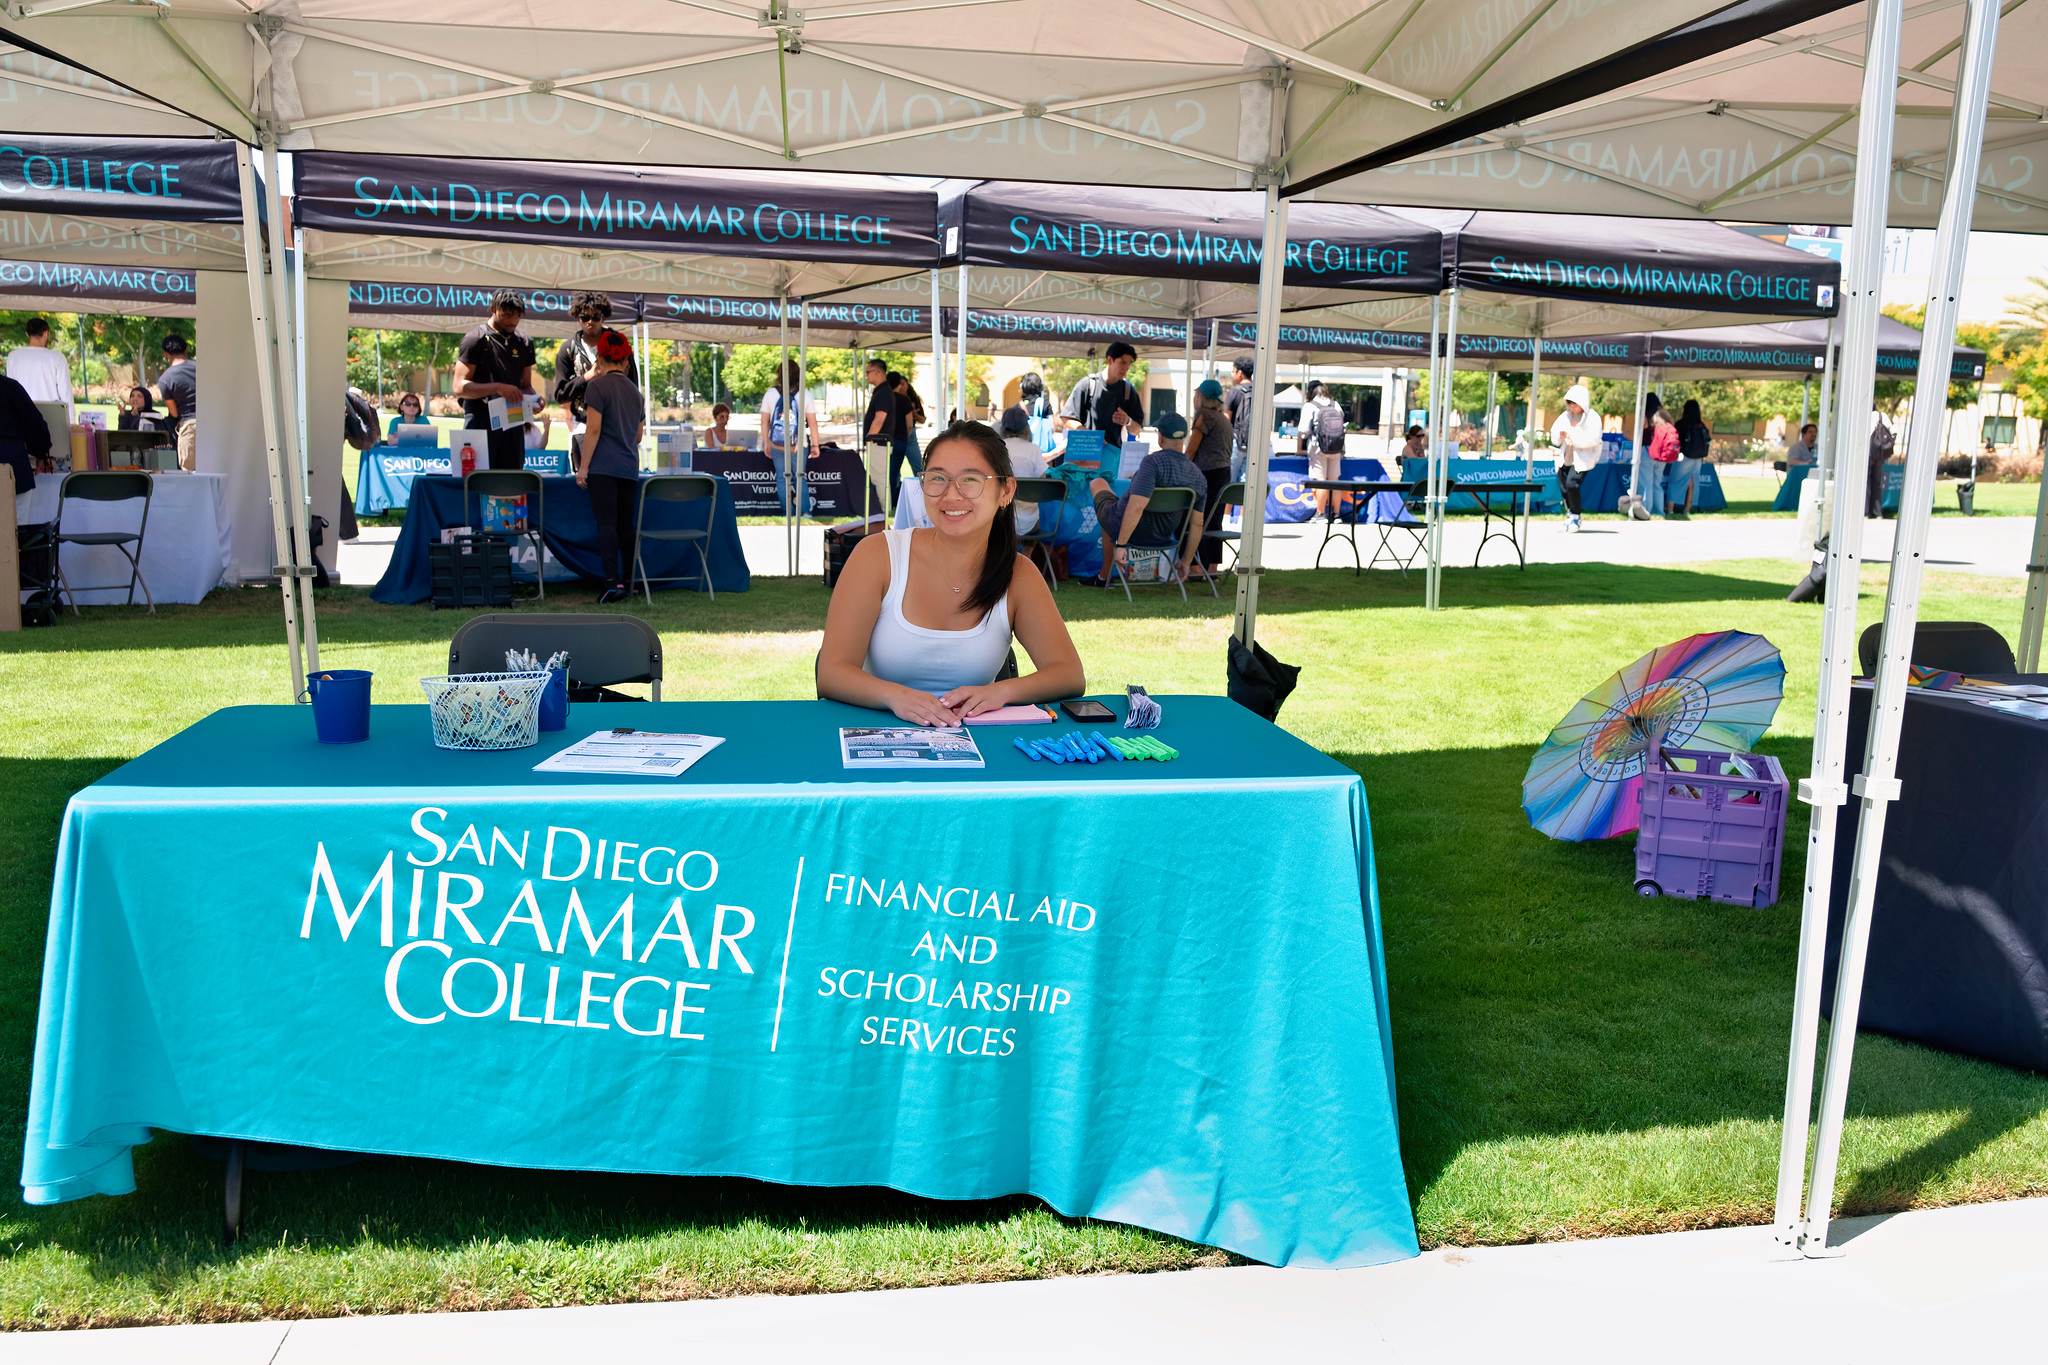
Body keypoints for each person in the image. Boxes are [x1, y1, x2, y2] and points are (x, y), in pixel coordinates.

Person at [817, 420, 1085, 725]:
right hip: (876, 735)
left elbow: (1068, 674)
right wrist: (895, 696)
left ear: (1005, 490)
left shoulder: (1019, 574)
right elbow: (832, 672)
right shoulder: (877, 555)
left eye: (970, 479)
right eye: (937, 478)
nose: (951, 494)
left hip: (974, 743)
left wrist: (1001, 691)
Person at [1088, 411, 1206, 587]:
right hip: (1164, 535)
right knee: (1112, 509)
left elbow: (1135, 508)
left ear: (1160, 438)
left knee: (1098, 485)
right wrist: (1187, 561)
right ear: (1184, 439)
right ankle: (1104, 576)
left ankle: (1104, 576)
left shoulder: (1153, 463)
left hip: (1133, 531)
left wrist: (1121, 545)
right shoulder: (1197, 475)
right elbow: (1197, 524)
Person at [573, 329, 644, 604]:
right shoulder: (636, 394)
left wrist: (583, 468)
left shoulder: (597, 387)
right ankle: (630, 581)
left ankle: (611, 583)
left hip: (603, 467)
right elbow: (637, 436)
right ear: (626, 361)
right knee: (627, 527)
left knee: (607, 525)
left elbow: (592, 430)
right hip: (629, 467)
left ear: (599, 359)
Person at [454, 289, 537, 471]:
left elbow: (526, 386)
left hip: (512, 422)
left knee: (511, 484)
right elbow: (459, 387)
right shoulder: (475, 339)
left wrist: (535, 400)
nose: (513, 321)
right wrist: (498, 387)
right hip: (480, 423)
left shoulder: (524, 342)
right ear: (492, 308)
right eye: (507, 315)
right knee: (477, 482)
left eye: (517, 316)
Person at [553, 292, 636, 464]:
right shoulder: (568, 349)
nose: (590, 322)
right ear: (578, 317)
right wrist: (587, 377)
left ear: (603, 317)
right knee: (586, 481)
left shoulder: (619, 344)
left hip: (616, 425)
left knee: (615, 479)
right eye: (585, 317)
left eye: (596, 317)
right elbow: (560, 394)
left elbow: (632, 387)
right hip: (583, 426)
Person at [761, 357, 822, 514]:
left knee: (782, 478)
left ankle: (786, 511)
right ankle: (805, 512)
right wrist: (815, 445)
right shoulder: (805, 394)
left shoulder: (770, 394)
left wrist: (766, 443)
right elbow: (813, 423)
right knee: (799, 477)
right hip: (798, 444)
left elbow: (764, 422)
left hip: (776, 443)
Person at [1062, 342, 1146, 454]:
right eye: (1122, 362)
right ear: (1109, 360)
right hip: (1086, 457)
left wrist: (1127, 421)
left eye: (1129, 363)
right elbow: (1066, 418)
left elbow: (1136, 430)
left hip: (1114, 459)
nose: (1126, 368)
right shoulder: (1088, 385)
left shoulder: (1129, 391)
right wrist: (1090, 436)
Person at [1185, 378, 1233, 569]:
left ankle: (1196, 567)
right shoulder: (1223, 418)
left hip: (1207, 474)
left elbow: (1191, 450)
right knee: (1215, 521)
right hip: (1223, 473)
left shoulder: (1204, 415)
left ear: (1200, 397)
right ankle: (1212, 568)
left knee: (1197, 520)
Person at [1549, 384, 1602, 533]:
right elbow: (1554, 435)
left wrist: (1573, 435)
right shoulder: (1565, 416)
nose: (1572, 407)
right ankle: (1570, 514)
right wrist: (1560, 436)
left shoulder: (1592, 418)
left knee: (1572, 484)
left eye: (1575, 404)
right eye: (1570, 404)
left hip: (1583, 459)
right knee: (1564, 486)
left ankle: (1576, 515)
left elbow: (1593, 439)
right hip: (1566, 457)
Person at [7, 318, 73, 426]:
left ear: (27, 334)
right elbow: (66, 393)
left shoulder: (13, 357)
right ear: (46, 333)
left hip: (21, 416)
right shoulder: (57, 358)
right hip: (52, 417)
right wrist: (71, 422)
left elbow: (11, 392)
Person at [1296, 379, 1346, 516]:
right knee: (1335, 482)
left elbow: (1303, 430)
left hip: (1318, 449)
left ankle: (1320, 513)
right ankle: (1337, 514)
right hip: (1336, 448)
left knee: (1321, 481)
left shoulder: (1310, 406)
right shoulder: (1335, 404)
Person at [0, 370, 52, 495]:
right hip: (12, 468)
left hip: (12, 469)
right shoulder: (10, 387)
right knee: (16, 514)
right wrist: (41, 455)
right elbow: (33, 423)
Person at [999, 405, 1047, 536]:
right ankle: (1027, 554)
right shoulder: (1033, 449)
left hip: (1000, 521)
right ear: (1026, 427)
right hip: (1030, 521)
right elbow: (1044, 481)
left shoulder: (997, 448)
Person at [862, 356, 905, 501]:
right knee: (878, 477)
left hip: (879, 442)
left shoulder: (884, 392)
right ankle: (882, 511)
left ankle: (882, 511)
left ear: (878, 372)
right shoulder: (881, 391)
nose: (866, 375)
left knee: (878, 478)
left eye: (868, 372)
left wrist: (870, 438)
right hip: (879, 441)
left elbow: (880, 418)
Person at [157, 334, 198, 472]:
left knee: (190, 472)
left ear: (165, 353)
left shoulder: (165, 379)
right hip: (215, 422)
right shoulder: (201, 367)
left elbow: (174, 412)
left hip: (190, 425)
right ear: (186, 349)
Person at [1670, 398, 1711, 520]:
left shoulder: (1681, 424)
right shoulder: (1701, 425)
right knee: (1692, 482)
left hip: (1683, 456)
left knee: (1675, 482)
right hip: (1698, 457)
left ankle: (1670, 509)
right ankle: (1688, 508)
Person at [890, 371, 927, 487]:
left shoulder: (913, 399)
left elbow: (923, 419)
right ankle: (895, 495)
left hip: (910, 435)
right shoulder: (891, 398)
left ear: (907, 385)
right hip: (896, 434)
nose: (901, 386)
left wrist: (914, 415)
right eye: (899, 384)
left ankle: (923, 490)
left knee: (917, 465)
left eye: (903, 384)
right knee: (894, 469)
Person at [1643, 404, 1680, 518]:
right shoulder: (1664, 417)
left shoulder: (1648, 418)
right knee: (1657, 484)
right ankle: (1659, 511)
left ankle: (1646, 510)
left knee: (1646, 483)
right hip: (1662, 455)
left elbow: (1641, 431)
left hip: (1648, 452)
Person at [1224, 355, 1255, 480]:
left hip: (1236, 441)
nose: (1232, 375)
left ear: (1240, 373)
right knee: (1246, 483)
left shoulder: (1234, 391)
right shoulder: (1258, 391)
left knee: (1229, 481)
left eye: (1233, 372)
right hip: (1253, 442)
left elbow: (1226, 419)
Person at [1017, 371, 1058, 451]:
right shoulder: (1044, 403)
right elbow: (1052, 428)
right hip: (1041, 451)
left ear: (1022, 387)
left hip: (1023, 449)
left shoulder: (1018, 406)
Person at [1866, 414, 1895, 518]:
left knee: (1866, 482)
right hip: (1880, 454)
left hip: (1868, 452)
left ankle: (1866, 511)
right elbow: (1893, 432)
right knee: (1877, 483)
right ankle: (1877, 511)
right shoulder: (1882, 416)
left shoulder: (1866, 415)